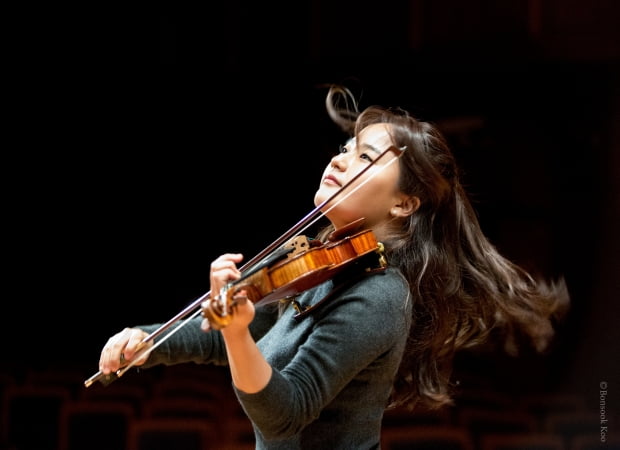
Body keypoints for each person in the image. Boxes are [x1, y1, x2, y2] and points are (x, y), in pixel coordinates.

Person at [98, 85, 569, 449]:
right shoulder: (319, 266)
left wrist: (238, 332)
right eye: (346, 148)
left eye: (365, 156)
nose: (340, 159)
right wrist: (147, 342)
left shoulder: (381, 296)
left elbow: (286, 410)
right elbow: (238, 334)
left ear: (405, 203)